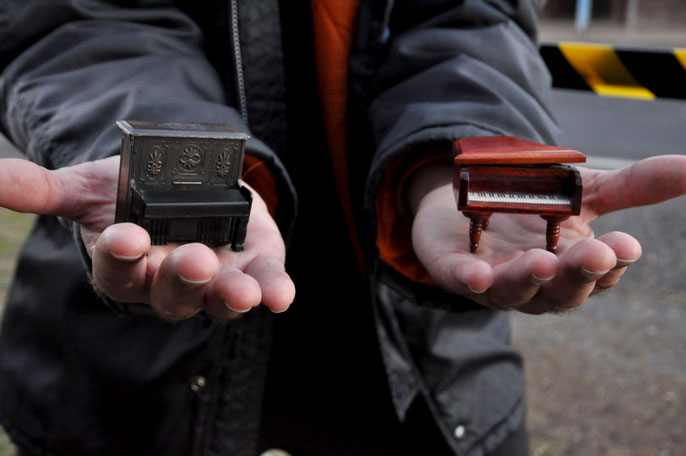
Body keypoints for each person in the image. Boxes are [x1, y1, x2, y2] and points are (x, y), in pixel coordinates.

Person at [0, 1, 684, 455]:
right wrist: (159, 157)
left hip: (424, 362)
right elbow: (78, 19)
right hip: (131, 368)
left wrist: (451, 158)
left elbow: (474, 15)